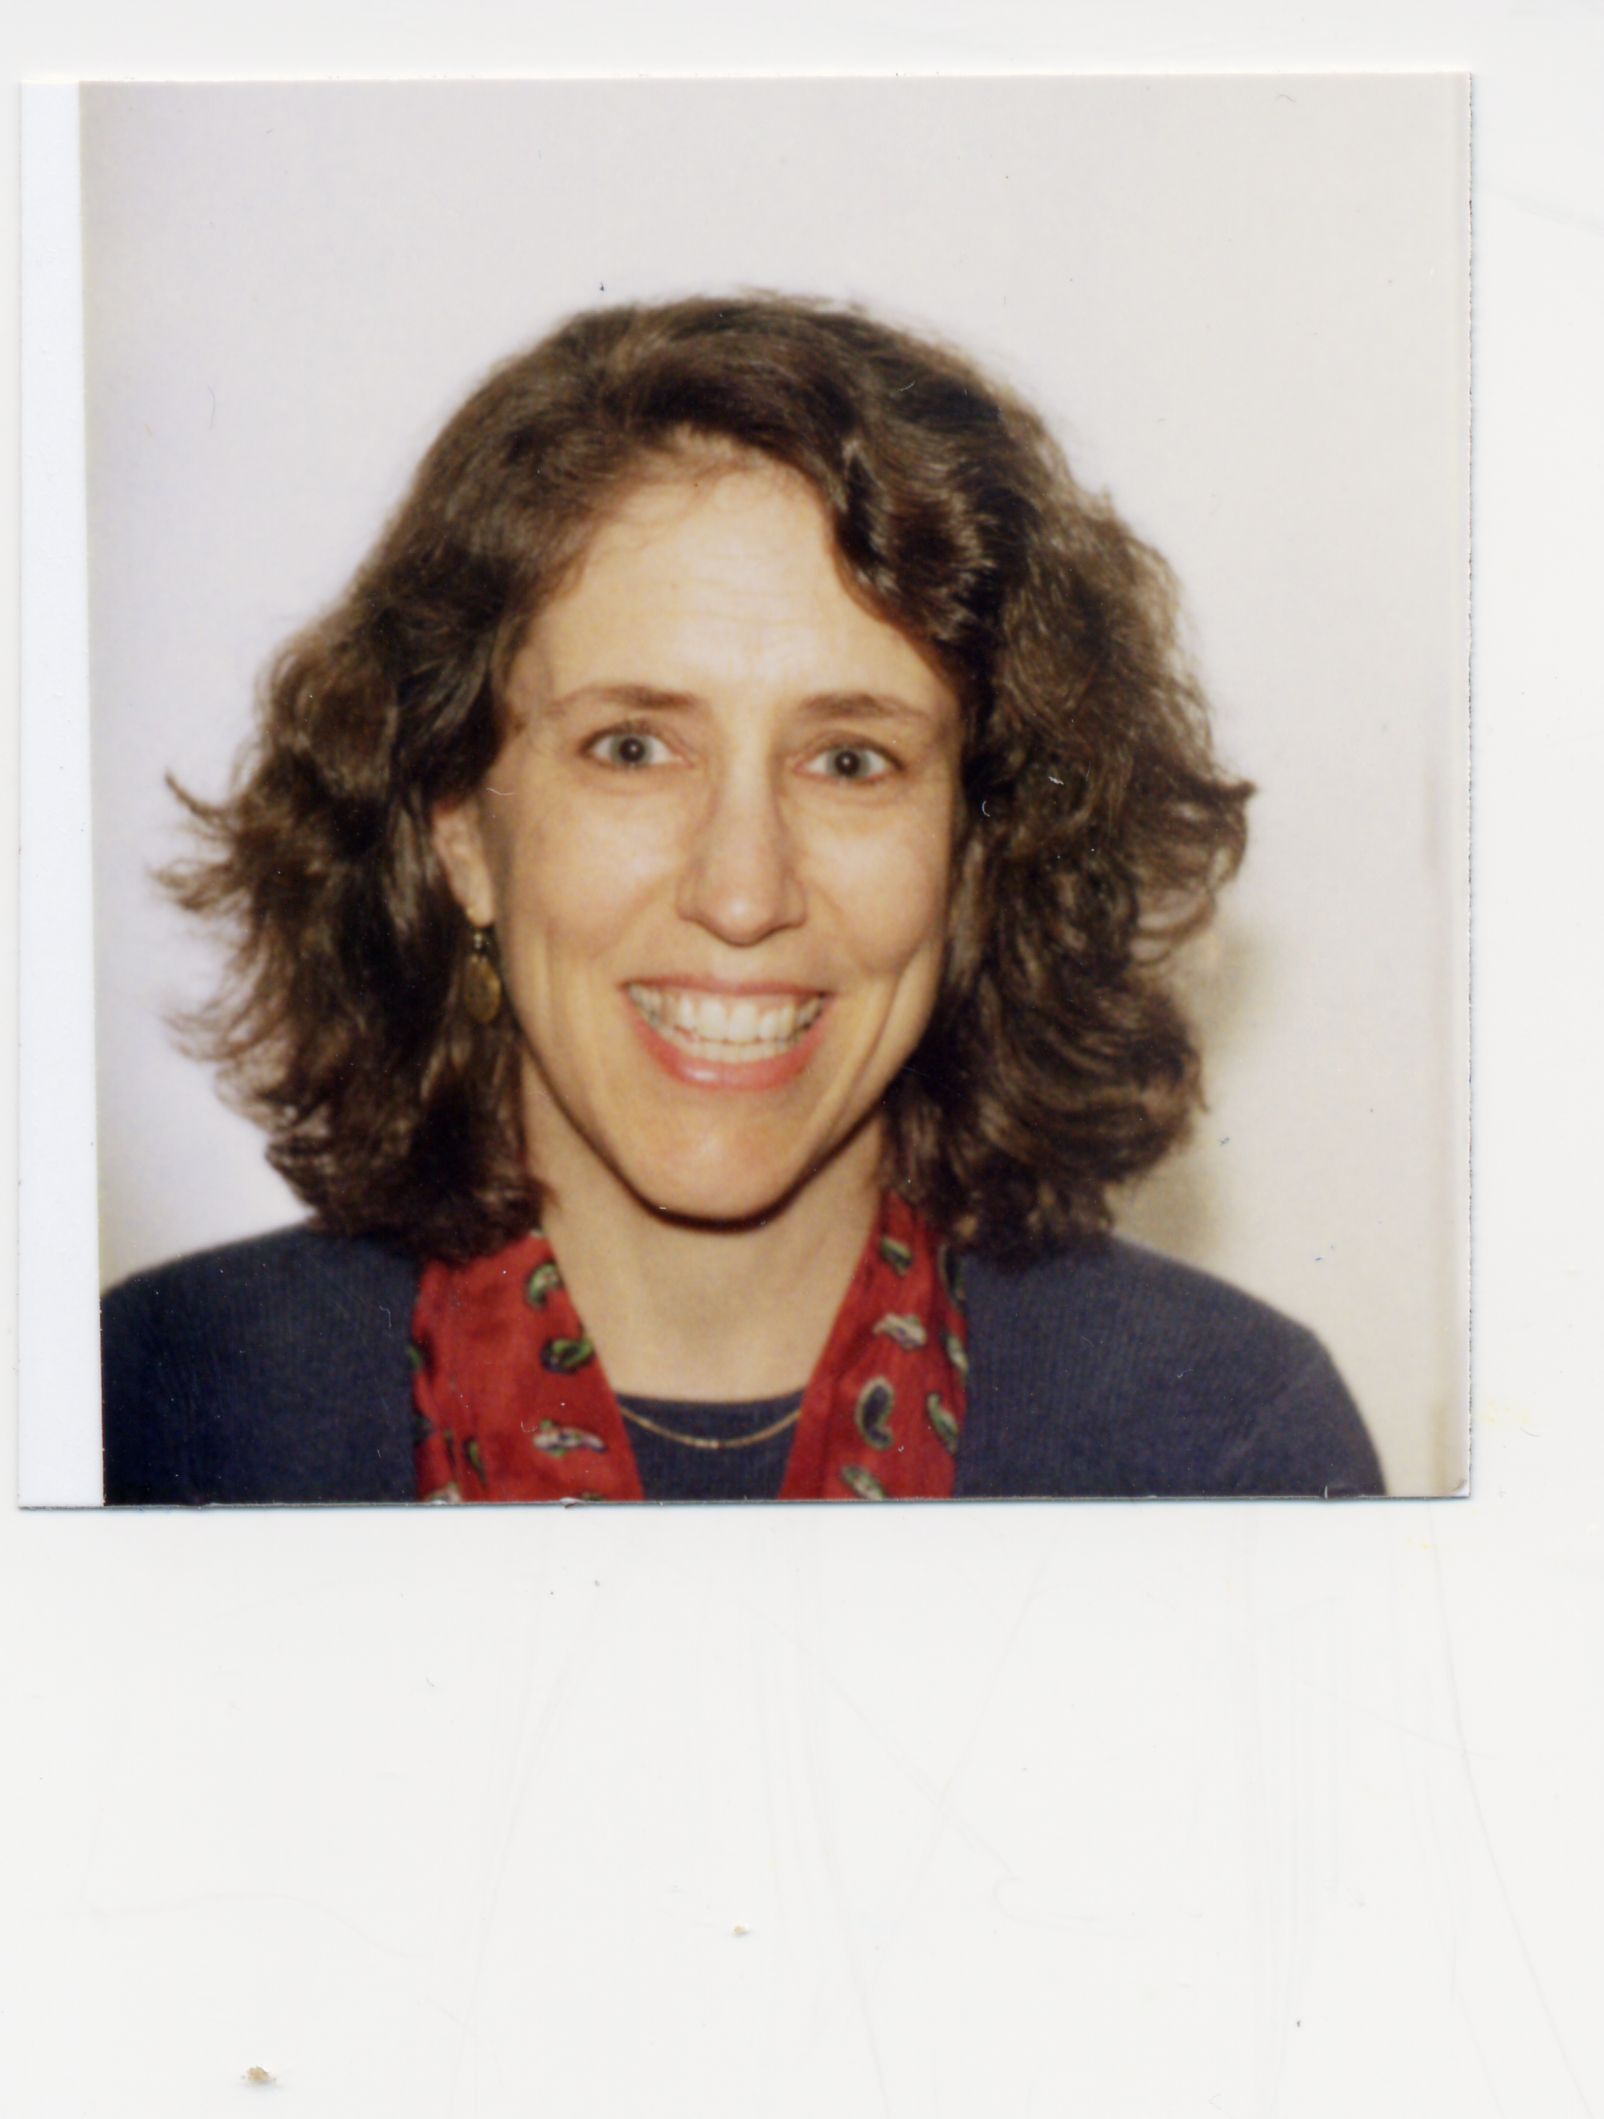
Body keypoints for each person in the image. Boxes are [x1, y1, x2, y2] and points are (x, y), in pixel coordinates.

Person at [100, 295, 1382, 1505]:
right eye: (634, 748)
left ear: (979, 848)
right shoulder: (156, 1413)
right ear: (461, 831)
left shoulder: (1222, 1439)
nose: (743, 891)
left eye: (851, 760)